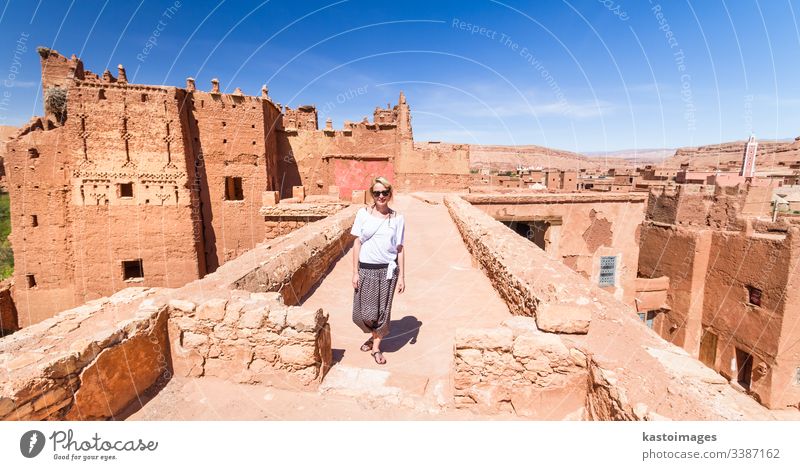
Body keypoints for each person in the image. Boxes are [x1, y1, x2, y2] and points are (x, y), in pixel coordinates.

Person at [350, 176, 405, 365]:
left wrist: (402, 277)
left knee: (382, 313)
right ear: (371, 194)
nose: (381, 196)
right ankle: (373, 336)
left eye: (384, 192)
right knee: (363, 314)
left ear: (390, 194)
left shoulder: (398, 218)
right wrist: (355, 272)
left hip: (387, 271)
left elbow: (399, 248)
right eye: (377, 193)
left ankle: (376, 348)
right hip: (366, 270)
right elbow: (357, 242)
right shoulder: (362, 214)